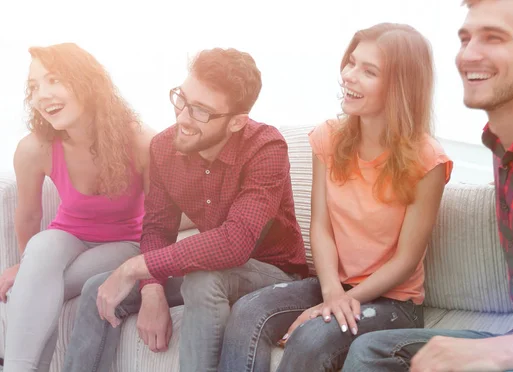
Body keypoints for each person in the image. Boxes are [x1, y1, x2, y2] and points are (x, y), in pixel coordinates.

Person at [342, 1, 513, 371]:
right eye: (465, 39)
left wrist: (499, 353)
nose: (469, 54)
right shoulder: (504, 143)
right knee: (371, 351)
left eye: (493, 38)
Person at [219, 23, 453, 372]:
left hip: (393, 302)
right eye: (351, 62)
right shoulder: (328, 137)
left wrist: (339, 303)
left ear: (400, 87)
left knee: (312, 337)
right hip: (333, 284)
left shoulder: (427, 160)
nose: (349, 76)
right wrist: (331, 294)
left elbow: (406, 260)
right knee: (247, 311)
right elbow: (321, 225)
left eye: (368, 71)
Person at [61, 47, 308, 372]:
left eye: (201, 111)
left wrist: (135, 268)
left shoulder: (265, 148)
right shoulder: (164, 148)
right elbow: (157, 229)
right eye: (182, 99)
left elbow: (235, 243)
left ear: (236, 122)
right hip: (211, 269)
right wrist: (151, 290)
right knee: (99, 288)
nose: (182, 118)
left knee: (203, 280)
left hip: (273, 274)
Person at [0, 43, 154, 372]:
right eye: (34, 86)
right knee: (42, 247)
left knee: (34, 289)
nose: (42, 95)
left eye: (53, 80)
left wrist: (29, 276)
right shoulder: (34, 147)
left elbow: (160, 223)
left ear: (87, 83)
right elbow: (29, 216)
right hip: (66, 238)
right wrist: (27, 264)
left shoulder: (141, 142)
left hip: (125, 244)